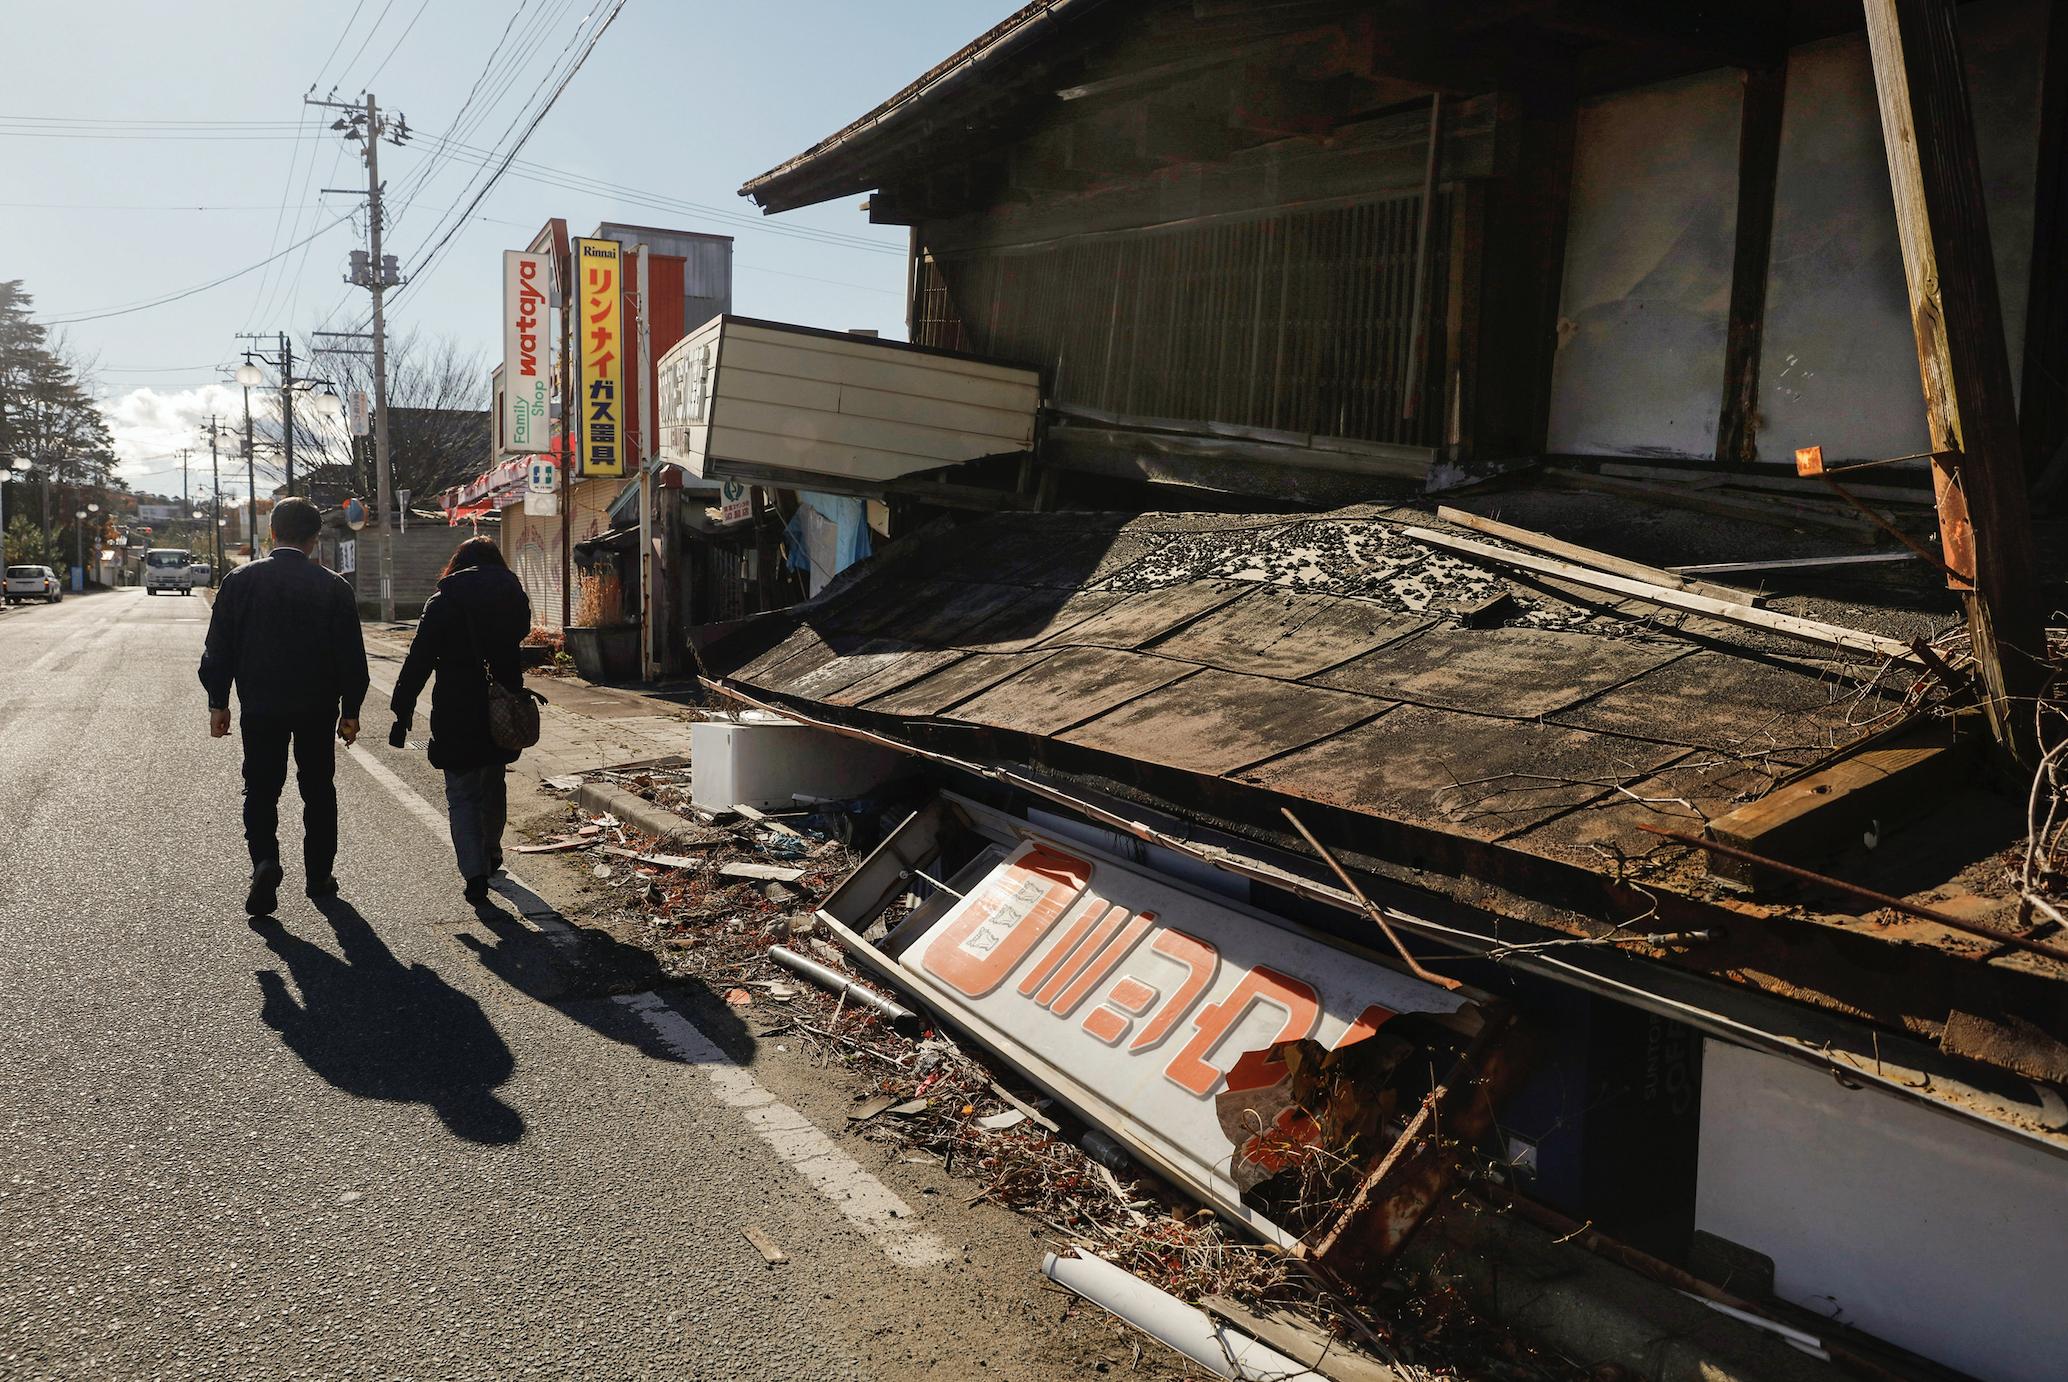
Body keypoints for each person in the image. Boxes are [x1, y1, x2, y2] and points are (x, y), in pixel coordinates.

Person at [198, 496, 369, 916]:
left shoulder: (239, 581)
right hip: (317, 706)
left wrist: (219, 701)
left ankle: (264, 861)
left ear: (272, 533)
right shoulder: (333, 586)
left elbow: (218, 648)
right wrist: (351, 710)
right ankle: (318, 876)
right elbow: (352, 657)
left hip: (261, 705)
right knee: (318, 788)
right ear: (315, 538)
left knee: (260, 788)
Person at [388, 535, 533, 905]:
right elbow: (522, 635)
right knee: (493, 781)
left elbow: (419, 659)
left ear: (458, 563)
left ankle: (474, 873)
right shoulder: (513, 596)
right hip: (500, 705)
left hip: (455, 707)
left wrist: (402, 708)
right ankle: (492, 852)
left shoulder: (443, 600)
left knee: (462, 791)